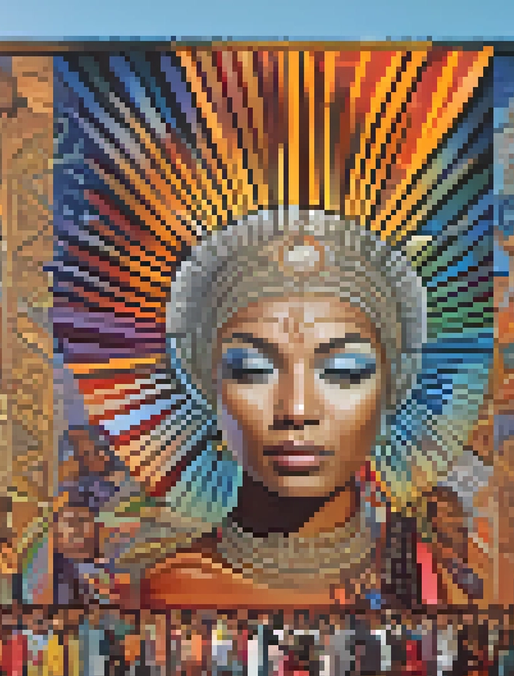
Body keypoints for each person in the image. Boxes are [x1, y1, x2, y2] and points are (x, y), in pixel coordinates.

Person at [73, 210, 484, 611]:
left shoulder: (427, 577)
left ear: (389, 394)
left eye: (344, 371)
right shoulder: (177, 590)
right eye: (251, 369)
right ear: (209, 389)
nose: (297, 409)